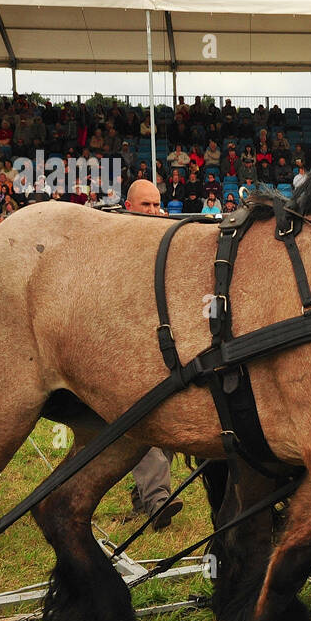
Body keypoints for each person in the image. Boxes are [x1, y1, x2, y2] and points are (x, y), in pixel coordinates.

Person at [120, 180, 182, 530]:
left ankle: (145, 496)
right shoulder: (115, 244)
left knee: (166, 419)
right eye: (146, 205)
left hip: (163, 344)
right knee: (146, 420)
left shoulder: (166, 241)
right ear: (128, 206)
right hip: (128, 347)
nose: (154, 211)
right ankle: (158, 499)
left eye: (157, 205)